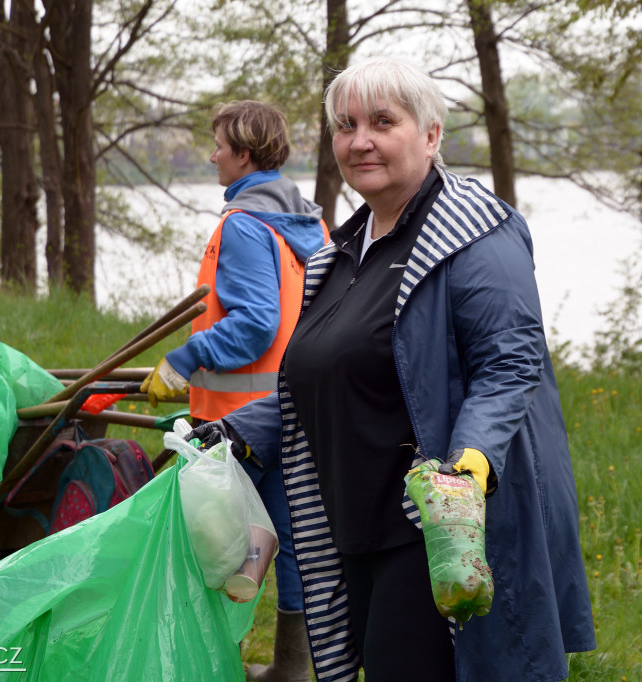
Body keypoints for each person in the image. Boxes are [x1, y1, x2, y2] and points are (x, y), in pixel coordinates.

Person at [188, 58, 596, 681]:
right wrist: (241, 429)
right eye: (345, 126)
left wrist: (471, 461)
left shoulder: (475, 235)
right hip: (355, 519)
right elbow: (323, 375)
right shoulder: (348, 249)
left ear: (431, 135)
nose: (360, 141)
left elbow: (510, 361)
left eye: (383, 121)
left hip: (436, 525)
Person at [140, 99, 327, 682]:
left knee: (212, 544)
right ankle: (292, 671)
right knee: (289, 541)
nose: (212, 154)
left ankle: (197, 662)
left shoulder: (246, 224)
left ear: (244, 154)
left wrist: (182, 361)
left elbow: (255, 324)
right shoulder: (310, 223)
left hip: (241, 423)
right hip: (294, 409)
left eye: (219, 144)